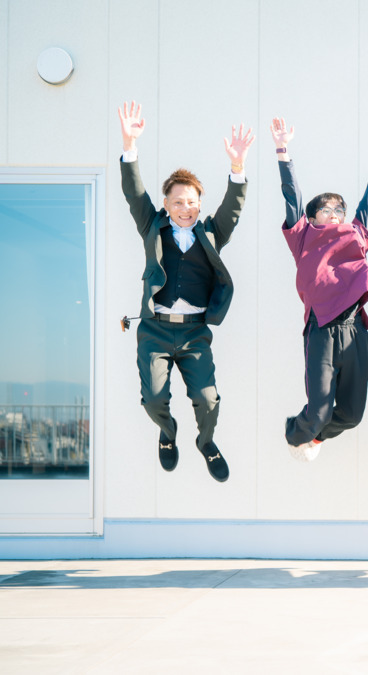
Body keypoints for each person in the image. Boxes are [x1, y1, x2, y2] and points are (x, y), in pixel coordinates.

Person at [116, 100, 254, 483]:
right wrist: (130, 145)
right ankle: (167, 433)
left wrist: (237, 166)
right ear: (166, 204)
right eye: (178, 202)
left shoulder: (210, 233)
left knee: (208, 398)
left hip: (194, 331)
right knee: (155, 399)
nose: (185, 208)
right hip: (155, 329)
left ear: (198, 205)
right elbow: (134, 193)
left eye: (192, 203)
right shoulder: (151, 225)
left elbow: (233, 208)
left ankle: (206, 442)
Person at [270, 117, 368, 461]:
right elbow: (291, 194)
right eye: (327, 209)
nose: (335, 213)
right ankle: (296, 431)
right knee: (319, 412)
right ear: (312, 216)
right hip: (321, 328)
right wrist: (283, 150)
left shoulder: (356, 234)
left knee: (352, 414)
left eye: (339, 208)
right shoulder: (303, 235)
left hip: (355, 328)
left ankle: (315, 440)